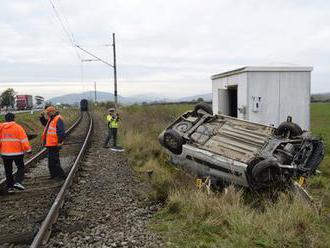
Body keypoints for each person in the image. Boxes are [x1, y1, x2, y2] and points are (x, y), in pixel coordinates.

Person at [0, 113, 31, 193]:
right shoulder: (18, 127)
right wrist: (28, 150)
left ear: (5, 119)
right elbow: (24, 140)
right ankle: (17, 182)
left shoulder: (1, 128)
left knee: (8, 170)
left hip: (5, 153)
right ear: (14, 118)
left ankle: (10, 188)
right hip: (17, 153)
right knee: (21, 167)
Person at [39, 106, 66, 179]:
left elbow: (61, 131)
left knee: (54, 160)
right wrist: (41, 117)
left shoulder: (57, 118)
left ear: (52, 112)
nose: (47, 114)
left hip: (54, 143)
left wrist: (60, 141)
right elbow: (45, 124)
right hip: (50, 144)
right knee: (51, 161)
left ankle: (61, 175)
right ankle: (54, 175)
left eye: (48, 113)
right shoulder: (52, 119)